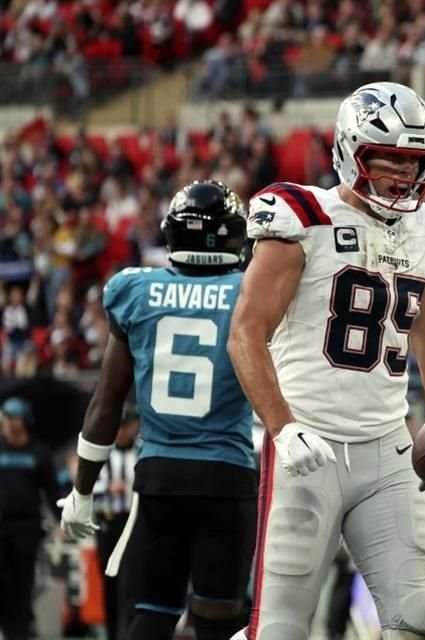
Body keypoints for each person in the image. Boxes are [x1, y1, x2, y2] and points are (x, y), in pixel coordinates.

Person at [226, 81, 425, 640]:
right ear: (350, 151)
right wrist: (282, 429)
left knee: (418, 618)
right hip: (309, 445)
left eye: (414, 163)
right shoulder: (301, 215)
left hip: (388, 448)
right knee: (279, 628)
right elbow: (244, 333)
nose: (403, 175)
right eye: (389, 159)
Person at [57, 180, 257, 640]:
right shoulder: (248, 292)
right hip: (226, 477)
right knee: (219, 624)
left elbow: (107, 402)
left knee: (150, 615)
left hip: (160, 477)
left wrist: (83, 492)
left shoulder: (136, 291)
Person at [0, 397, 61, 640]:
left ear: (23, 421)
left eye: (12, 419)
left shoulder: (39, 453)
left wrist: (60, 520)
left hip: (27, 529)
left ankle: (20, 631)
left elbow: (52, 491)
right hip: (0, 527)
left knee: (22, 583)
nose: (7, 424)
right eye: (5, 419)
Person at [90, 405, 140, 640]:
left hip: (133, 526)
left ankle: (129, 631)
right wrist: (107, 487)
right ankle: (112, 633)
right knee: (110, 581)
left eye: (125, 427)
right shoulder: (104, 454)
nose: (120, 432)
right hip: (108, 523)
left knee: (132, 581)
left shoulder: (140, 453)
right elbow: (87, 485)